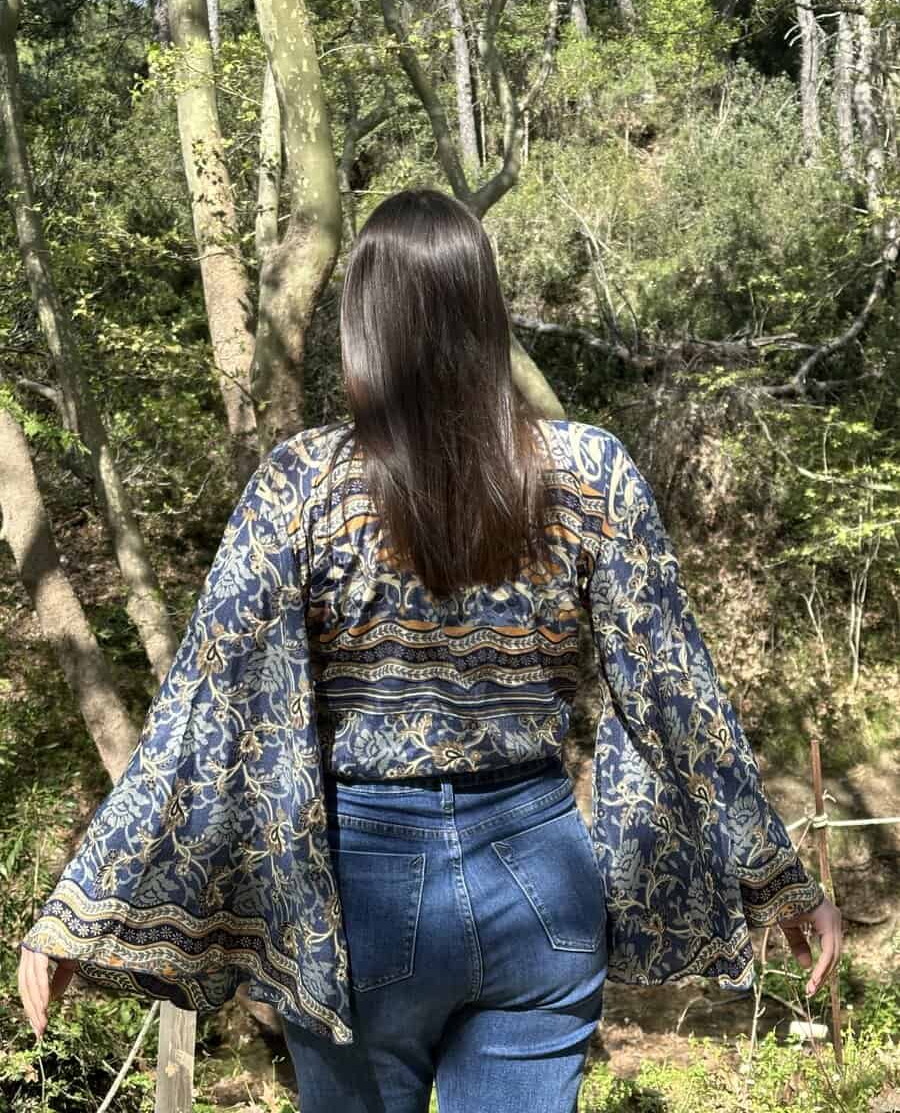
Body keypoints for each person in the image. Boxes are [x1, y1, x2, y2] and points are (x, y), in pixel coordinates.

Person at [19, 188, 841, 1112]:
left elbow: (204, 709)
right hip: (542, 875)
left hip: (360, 894)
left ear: (363, 325)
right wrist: (779, 878)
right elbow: (675, 693)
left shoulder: (300, 485)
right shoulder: (592, 472)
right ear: (485, 310)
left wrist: (77, 911)